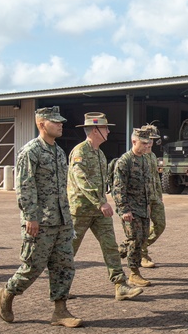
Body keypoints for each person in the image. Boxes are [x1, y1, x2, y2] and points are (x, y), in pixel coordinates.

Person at [0, 107, 81, 328]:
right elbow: (25, 186)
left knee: (64, 266)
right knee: (33, 266)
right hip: (40, 221)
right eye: (55, 122)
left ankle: (60, 311)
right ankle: (6, 293)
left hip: (61, 220)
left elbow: (63, 188)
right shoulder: (30, 151)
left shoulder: (59, 152)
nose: (61, 125)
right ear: (42, 124)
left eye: (61, 121)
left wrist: (68, 218)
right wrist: (31, 217)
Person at [67, 112, 142, 301]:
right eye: (105, 128)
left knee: (110, 247)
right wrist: (101, 201)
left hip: (99, 211)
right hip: (81, 212)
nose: (108, 131)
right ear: (95, 130)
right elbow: (81, 180)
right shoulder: (80, 152)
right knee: (68, 251)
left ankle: (120, 285)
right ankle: (61, 287)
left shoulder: (99, 153)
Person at [111, 126, 156, 288]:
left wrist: (149, 205)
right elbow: (118, 188)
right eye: (143, 143)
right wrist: (124, 209)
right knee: (135, 240)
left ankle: (116, 254)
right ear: (134, 141)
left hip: (143, 208)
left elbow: (147, 184)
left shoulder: (144, 159)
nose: (146, 146)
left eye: (148, 143)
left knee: (141, 239)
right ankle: (134, 273)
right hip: (131, 209)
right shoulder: (125, 161)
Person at [140, 123, 165, 268]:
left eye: (153, 139)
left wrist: (160, 195)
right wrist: (146, 201)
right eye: (148, 139)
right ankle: (142, 254)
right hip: (143, 199)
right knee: (143, 227)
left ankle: (135, 246)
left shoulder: (153, 156)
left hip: (155, 197)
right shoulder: (139, 156)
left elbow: (156, 177)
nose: (150, 142)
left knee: (160, 225)